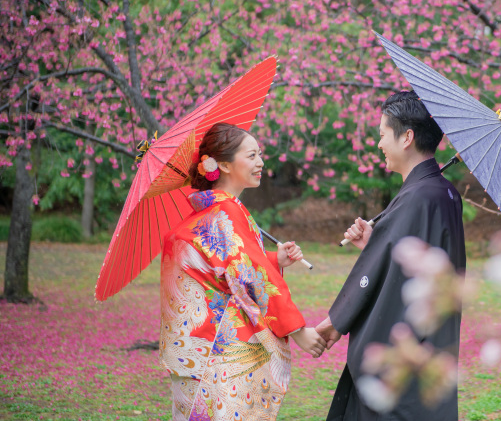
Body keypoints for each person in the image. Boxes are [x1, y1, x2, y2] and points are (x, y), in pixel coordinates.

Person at [159, 122, 325, 421]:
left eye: (259, 154)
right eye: (251, 155)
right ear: (223, 164)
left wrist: (275, 260)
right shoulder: (227, 212)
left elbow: (224, 269)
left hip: (193, 350)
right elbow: (249, 276)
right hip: (216, 349)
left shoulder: (209, 211)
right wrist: (298, 331)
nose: (260, 162)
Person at [316, 91, 466, 420]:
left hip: (406, 347)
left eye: (383, 134)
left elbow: (384, 275)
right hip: (428, 341)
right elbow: (406, 262)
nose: (380, 143)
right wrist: (376, 241)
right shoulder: (441, 192)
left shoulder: (419, 197)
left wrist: (336, 321)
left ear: (407, 137)